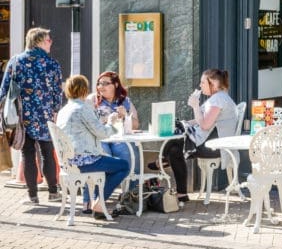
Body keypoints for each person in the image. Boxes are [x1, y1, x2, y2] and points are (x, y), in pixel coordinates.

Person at [0, 27, 64, 205]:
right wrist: (55, 109)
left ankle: (33, 197)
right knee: (47, 153)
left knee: (27, 154)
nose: (51, 42)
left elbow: (4, 89)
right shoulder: (52, 64)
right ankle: (53, 192)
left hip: (22, 116)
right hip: (45, 116)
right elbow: (58, 92)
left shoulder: (15, 62)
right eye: (48, 40)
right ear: (39, 41)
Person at [156, 69, 240, 202]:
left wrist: (195, 106)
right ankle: (181, 192)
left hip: (214, 146)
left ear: (213, 83)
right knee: (175, 148)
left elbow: (205, 125)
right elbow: (201, 120)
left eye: (203, 82)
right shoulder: (219, 98)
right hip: (209, 142)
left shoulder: (218, 100)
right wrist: (185, 123)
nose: (200, 86)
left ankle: (161, 160)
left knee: (175, 143)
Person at [56, 75, 130, 220]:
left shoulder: (64, 110)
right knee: (123, 165)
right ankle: (98, 203)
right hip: (84, 160)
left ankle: (95, 202)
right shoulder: (83, 108)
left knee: (110, 165)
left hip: (68, 162)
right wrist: (111, 121)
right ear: (84, 89)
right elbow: (102, 133)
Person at [86, 71, 139, 211]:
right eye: (99, 83)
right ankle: (96, 198)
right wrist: (103, 121)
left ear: (115, 85)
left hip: (119, 139)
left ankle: (130, 196)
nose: (100, 87)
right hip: (100, 139)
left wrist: (125, 116)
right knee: (105, 157)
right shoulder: (92, 100)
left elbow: (136, 124)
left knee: (130, 155)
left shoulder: (125, 101)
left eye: (105, 83)